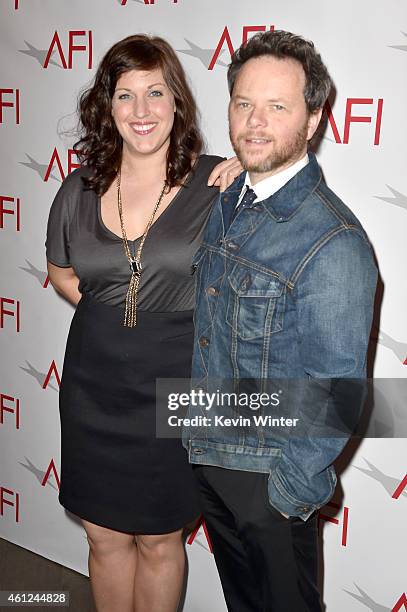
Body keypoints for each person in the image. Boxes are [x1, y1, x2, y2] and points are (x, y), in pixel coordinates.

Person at [184, 30, 378, 611]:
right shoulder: (229, 201)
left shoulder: (333, 241)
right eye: (244, 104)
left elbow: (337, 390)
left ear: (313, 119)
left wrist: (285, 493)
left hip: (271, 479)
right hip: (211, 457)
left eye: (277, 107)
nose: (255, 122)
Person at [46, 34, 240, 612]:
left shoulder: (216, 184)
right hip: (93, 388)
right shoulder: (77, 190)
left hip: (176, 384)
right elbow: (60, 272)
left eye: (155, 92)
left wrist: (254, 170)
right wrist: (116, 314)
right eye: (125, 95)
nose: (142, 111)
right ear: (107, 107)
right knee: (104, 536)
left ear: (176, 100)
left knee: (160, 537)